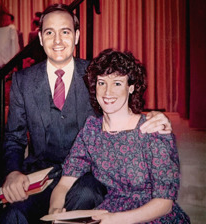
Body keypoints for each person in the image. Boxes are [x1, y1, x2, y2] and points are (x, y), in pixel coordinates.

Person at [0, 4, 172, 224]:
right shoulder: (22, 81)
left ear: (77, 36)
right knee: (13, 214)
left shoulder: (96, 75)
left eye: (65, 31)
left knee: (84, 198)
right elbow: (14, 138)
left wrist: (155, 118)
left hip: (87, 177)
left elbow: (124, 107)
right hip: (39, 177)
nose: (58, 40)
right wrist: (13, 171)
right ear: (41, 39)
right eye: (49, 33)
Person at [49, 49, 190, 223]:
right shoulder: (92, 130)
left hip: (151, 215)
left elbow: (165, 203)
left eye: (117, 83)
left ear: (131, 87)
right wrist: (55, 209)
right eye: (101, 83)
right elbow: (64, 183)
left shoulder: (153, 130)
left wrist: (115, 220)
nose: (107, 92)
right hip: (110, 210)